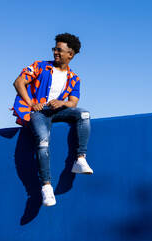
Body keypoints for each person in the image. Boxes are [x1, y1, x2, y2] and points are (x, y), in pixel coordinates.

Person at [12, 33, 93, 207]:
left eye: (59, 50)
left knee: (84, 114)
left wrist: (61, 102)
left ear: (70, 54)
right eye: (54, 49)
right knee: (42, 141)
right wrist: (32, 103)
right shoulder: (40, 66)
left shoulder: (74, 78)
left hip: (58, 111)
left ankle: (80, 158)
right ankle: (46, 186)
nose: (55, 52)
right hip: (38, 112)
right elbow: (18, 82)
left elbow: (73, 103)